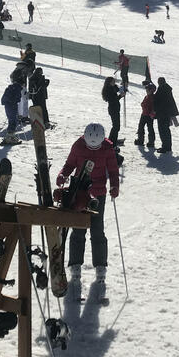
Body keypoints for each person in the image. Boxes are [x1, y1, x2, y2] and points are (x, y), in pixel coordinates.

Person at [56, 123, 121, 294]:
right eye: (90, 145)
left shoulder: (107, 148)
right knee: (78, 230)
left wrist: (115, 186)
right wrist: (63, 175)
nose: (93, 148)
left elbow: (113, 171)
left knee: (97, 230)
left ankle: (100, 266)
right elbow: (69, 164)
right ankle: (75, 265)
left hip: (98, 193)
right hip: (79, 192)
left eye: (96, 146)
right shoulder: (78, 146)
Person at [153, 77, 178, 153]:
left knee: (163, 131)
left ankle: (165, 147)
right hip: (166, 114)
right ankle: (168, 147)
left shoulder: (161, 89)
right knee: (166, 130)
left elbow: (158, 101)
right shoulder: (167, 89)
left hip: (162, 114)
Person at [102, 76, 125, 147]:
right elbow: (112, 100)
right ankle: (112, 141)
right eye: (113, 81)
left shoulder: (113, 87)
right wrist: (120, 96)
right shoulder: (108, 90)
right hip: (113, 109)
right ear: (109, 82)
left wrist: (124, 86)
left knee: (116, 126)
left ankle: (112, 140)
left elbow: (118, 89)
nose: (114, 83)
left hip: (116, 109)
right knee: (116, 126)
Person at [0, 77, 24, 145]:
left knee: (11, 120)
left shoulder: (11, 87)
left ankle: (9, 137)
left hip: (7, 105)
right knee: (14, 121)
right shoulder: (17, 88)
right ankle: (10, 138)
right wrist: (20, 113)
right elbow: (18, 100)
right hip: (12, 106)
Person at [134, 82, 157, 147]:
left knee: (148, 128)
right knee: (141, 127)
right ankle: (141, 140)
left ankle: (150, 142)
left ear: (151, 90)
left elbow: (150, 106)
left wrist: (151, 113)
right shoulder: (147, 96)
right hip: (144, 114)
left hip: (148, 115)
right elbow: (143, 104)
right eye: (146, 89)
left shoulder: (152, 97)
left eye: (147, 90)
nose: (146, 91)